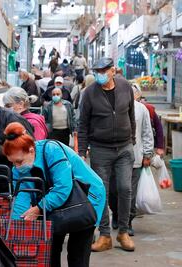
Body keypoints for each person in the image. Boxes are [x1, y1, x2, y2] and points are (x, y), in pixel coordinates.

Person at [2, 122, 105, 267]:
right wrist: (13, 230)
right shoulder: (19, 170)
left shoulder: (51, 150)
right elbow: (21, 199)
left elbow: (63, 188)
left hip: (86, 199)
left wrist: (38, 208)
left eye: (20, 161)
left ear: (31, 150)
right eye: (13, 163)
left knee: (77, 255)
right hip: (54, 205)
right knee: (49, 253)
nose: (17, 167)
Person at [78, 57, 136, 252]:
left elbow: (131, 114)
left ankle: (123, 231)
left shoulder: (125, 86)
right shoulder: (89, 93)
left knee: (125, 188)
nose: (100, 75)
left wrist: (132, 139)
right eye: (97, 71)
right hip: (100, 149)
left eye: (104, 71)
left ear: (113, 71)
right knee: (100, 190)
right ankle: (104, 235)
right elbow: (83, 124)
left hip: (124, 148)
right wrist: (81, 152)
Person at [109, 84, 154, 236]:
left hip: (135, 158)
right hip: (114, 157)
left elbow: (147, 132)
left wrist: (147, 154)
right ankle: (116, 213)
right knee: (114, 191)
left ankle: (127, 222)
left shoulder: (142, 109)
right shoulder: (113, 107)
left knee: (129, 192)